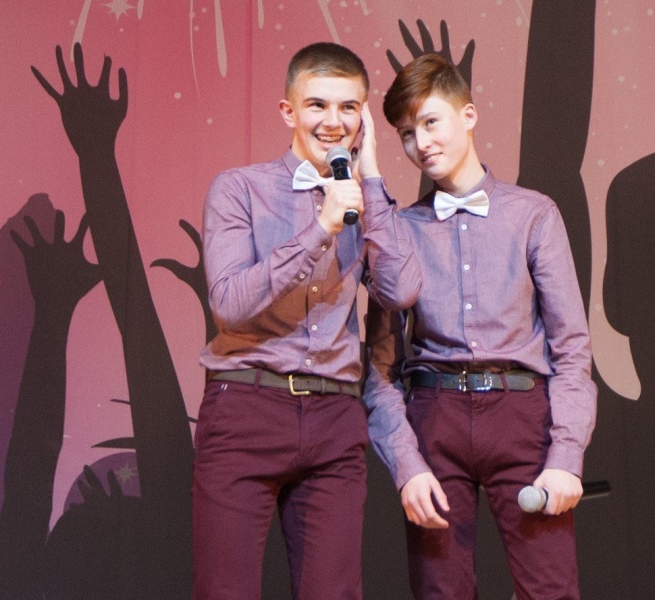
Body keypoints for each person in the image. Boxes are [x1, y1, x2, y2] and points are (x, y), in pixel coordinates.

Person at [363, 53, 597, 599]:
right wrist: (406, 462)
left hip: (522, 416)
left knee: (550, 590)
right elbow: (380, 370)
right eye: (406, 134)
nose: (421, 143)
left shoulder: (533, 214)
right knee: (440, 591)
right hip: (434, 418)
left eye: (431, 122)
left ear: (468, 115)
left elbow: (571, 348)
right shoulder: (399, 230)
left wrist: (566, 456)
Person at [193, 42, 417, 600]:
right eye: (317, 105)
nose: (333, 122)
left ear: (364, 117)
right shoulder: (239, 188)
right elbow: (229, 303)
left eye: (348, 108)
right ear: (288, 111)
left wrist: (371, 180)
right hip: (247, 404)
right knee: (225, 590)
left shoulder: (366, 202)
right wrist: (320, 228)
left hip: (334, 416)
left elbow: (401, 291)